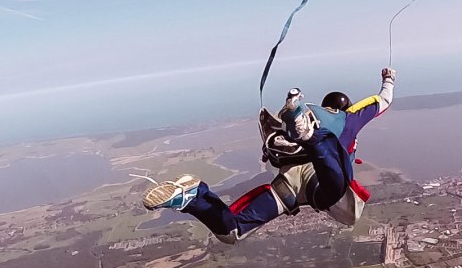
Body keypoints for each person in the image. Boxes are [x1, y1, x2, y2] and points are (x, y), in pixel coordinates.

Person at [141, 67, 396, 244]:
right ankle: (311, 139)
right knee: (336, 186)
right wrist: (389, 79)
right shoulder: (348, 118)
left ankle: (191, 198)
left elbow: (273, 156)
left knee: (233, 232)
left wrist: (387, 80)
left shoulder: (316, 112)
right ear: (344, 105)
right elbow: (384, 101)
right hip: (314, 175)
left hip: (288, 185)